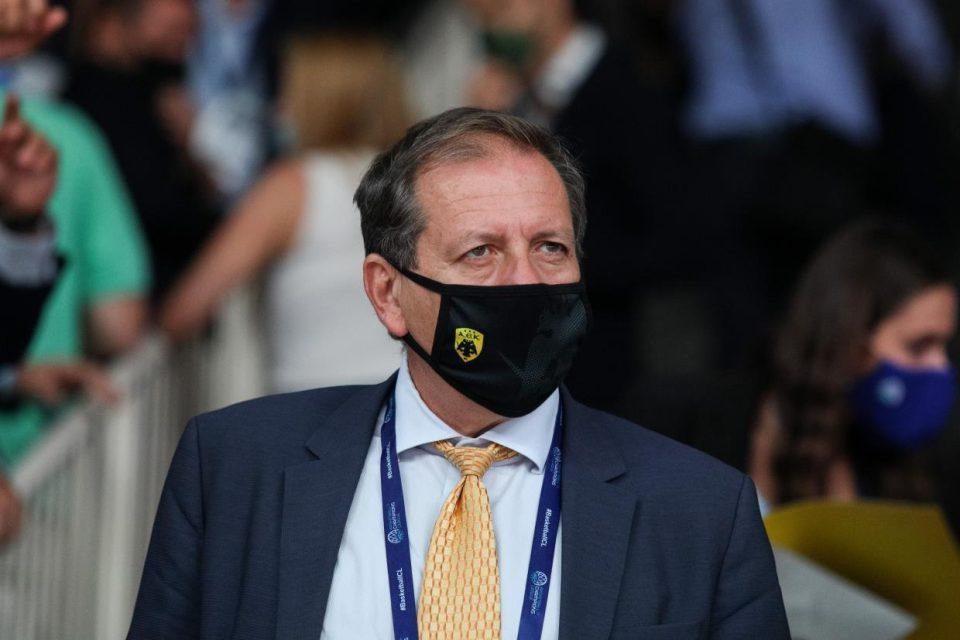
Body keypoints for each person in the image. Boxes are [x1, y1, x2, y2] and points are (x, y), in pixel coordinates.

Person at [129, 108, 788, 639]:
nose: (526, 281)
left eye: (550, 247)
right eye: (481, 252)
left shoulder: (702, 511)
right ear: (387, 293)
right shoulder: (233, 466)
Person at [623, 221, 959, 526]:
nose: (940, 367)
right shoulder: (680, 424)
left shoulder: (911, 471)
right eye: (919, 346)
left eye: (944, 346)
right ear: (849, 337)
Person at [464, 0, 688, 411]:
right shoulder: (508, 95)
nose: (485, 11)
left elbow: (676, 237)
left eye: (504, 4)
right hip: (539, 370)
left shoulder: (631, 84)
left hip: (619, 369)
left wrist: (553, 265)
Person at [160, 34, 409, 391]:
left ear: (322, 104)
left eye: (290, 94)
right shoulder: (414, 179)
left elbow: (186, 309)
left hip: (316, 404)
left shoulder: (293, 186)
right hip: (406, 399)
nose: (278, 108)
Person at [63, 0, 220, 299]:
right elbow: (157, 205)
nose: (185, 39)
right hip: (136, 286)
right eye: (172, 28)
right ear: (114, 18)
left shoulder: (161, 86)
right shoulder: (94, 100)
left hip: (166, 275)